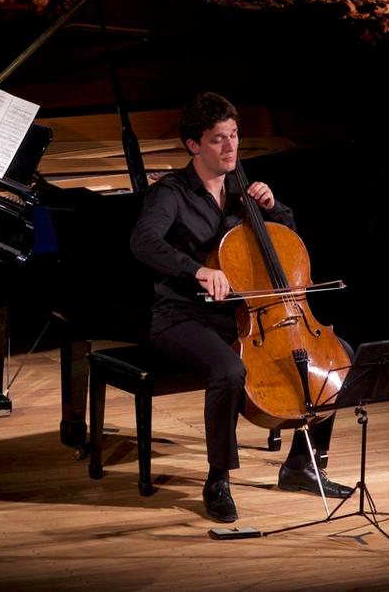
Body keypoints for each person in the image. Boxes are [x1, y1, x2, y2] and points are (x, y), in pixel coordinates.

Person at [129, 92, 353, 523]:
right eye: (218, 139)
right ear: (194, 145)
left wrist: (274, 208)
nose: (231, 147)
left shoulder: (243, 190)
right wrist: (198, 270)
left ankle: (304, 465)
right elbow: (143, 242)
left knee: (337, 356)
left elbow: (284, 245)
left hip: (245, 314)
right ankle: (217, 480)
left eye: (234, 135)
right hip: (182, 316)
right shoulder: (171, 193)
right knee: (230, 370)